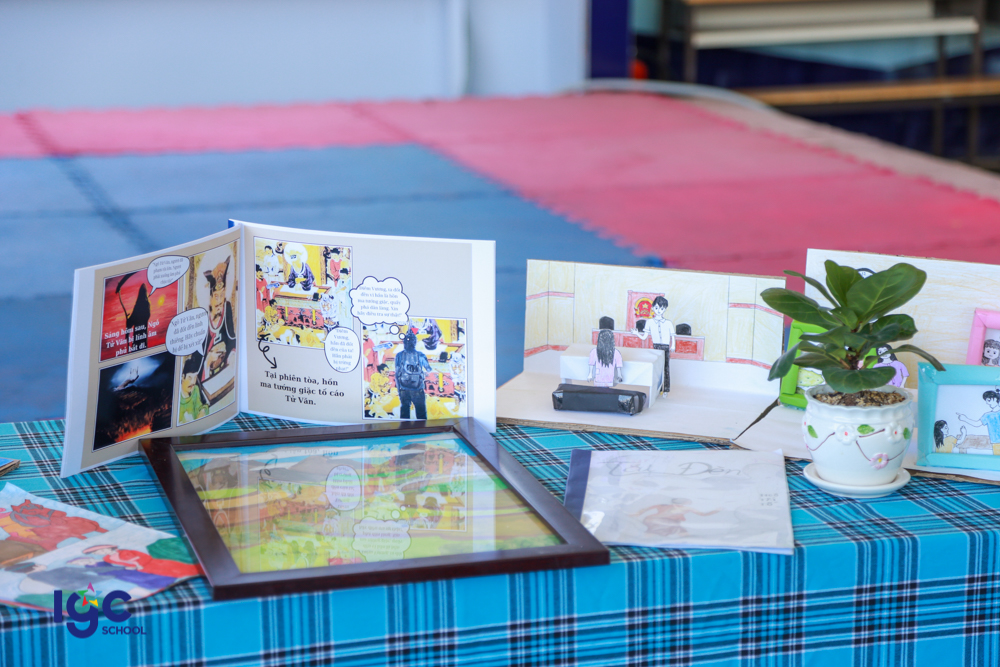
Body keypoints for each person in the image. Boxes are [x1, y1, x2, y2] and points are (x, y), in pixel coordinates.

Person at [630, 295, 674, 392]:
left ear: (665, 309)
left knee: (666, 368)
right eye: (657, 308)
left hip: (666, 347)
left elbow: (672, 335)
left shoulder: (668, 323)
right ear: (653, 308)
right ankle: (658, 388)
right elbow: (644, 337)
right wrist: (637, 333)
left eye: (661, 308)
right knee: (657, 368)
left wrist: (673, 345)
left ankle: (666, 389)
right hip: (656, 347)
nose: (659, 311)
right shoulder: (649, 322)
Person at [394, 332, 432, 420]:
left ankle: (404, 428)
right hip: (418, 388)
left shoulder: (399, 355)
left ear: (404, 343)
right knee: (421, 414)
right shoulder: (421, 355)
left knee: (404, 414)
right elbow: (428, 369)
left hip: (404, 388)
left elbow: (397, 374)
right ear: (415, 343)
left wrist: (399, 390)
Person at [178, 357, 209, 424]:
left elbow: (201, 406)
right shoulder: (178, 398)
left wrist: (202, 411)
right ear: (183, 377)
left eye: (195, 377)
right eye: (190, 378)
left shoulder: (195, 389)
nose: (193, 382)